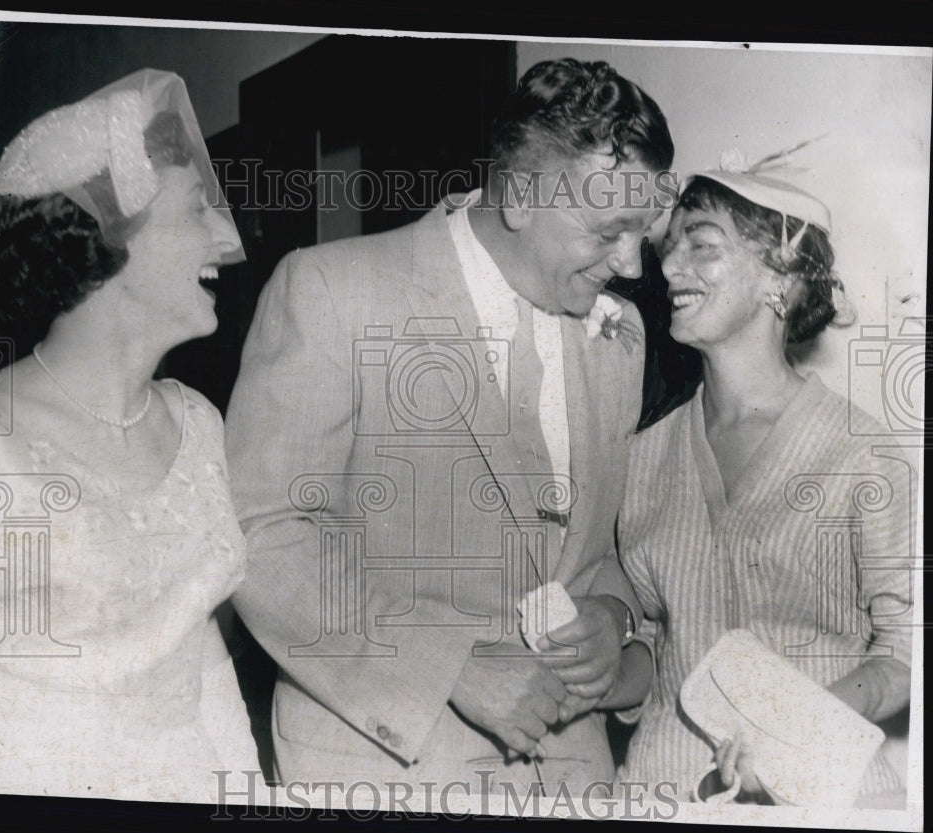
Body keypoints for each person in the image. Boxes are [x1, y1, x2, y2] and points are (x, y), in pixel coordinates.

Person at [224, 58, 674, 798]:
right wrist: (449, 668)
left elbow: (602, 544)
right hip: (385, 766)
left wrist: (612, 615)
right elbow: (260, 531)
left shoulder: (619, 334)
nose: (629, 265)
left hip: (573, 770)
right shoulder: (334, 291)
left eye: (641, 231)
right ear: (522, 196)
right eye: (609, 230)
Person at [0, 69, 261, 804]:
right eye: (195, 213)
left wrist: (246, 791)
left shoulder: (198, 424)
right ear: (110, 240)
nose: (226, 236)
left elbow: (202, 659)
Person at [613, 162, 914, 804]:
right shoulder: (642, 455)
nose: (668, 267)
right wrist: (592, 672)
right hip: (660, 793)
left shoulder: (863, 452)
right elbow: (650, 634)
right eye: (670, 247)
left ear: (779, 274)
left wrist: (793, 732)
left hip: (823, 793)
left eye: (702, 244)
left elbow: (905, 651)